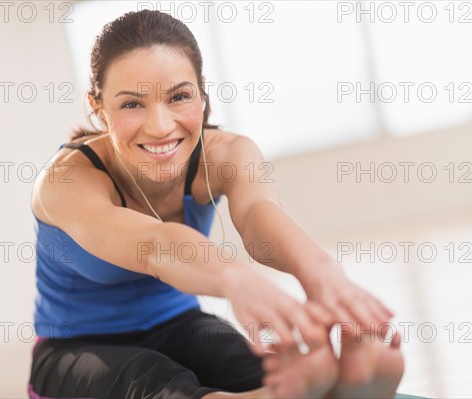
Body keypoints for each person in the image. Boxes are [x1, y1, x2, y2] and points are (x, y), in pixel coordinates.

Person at [28, 9, 404, 399]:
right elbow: (155, 246)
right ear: (98, 107)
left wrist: (322, 274)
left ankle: (317, 393)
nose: (160, 126)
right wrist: (235, 278)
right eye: (131, 104)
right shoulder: (66, 181)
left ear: (201, 92)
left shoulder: (228, 154)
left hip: (183, 324)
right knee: (148, 378)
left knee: (254, 368)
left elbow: (260, 216)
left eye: (179, 96)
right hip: (74, 348)